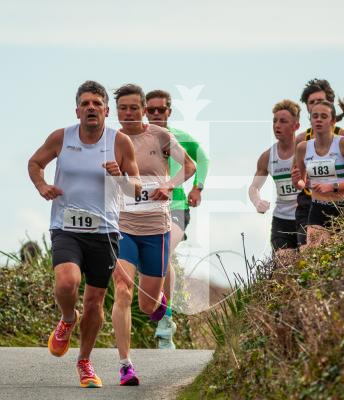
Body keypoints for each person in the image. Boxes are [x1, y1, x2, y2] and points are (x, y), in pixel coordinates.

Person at [27, 80, 140, 388]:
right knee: (67, 281)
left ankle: (84, 362)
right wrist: (42, 185)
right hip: (66, 227)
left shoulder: (119, 142)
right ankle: (67, 318)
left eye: (97, 103)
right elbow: (35, 162)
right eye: (85, 104)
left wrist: (120, 177)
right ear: (77, 111)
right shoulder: (61, 138)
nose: (91, 108)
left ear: (106, 111)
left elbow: (136, 187)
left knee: (94, 302)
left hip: (104, 232)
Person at [111, 84, 196, 386]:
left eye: (134, 108)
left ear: (144, 110)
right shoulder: (111, 140)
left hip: (156, 228)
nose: (128, 113)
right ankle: (125, 365)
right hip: (123, 227)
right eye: (123, 108)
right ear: (116, 111)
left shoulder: (159, 136)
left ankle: (159, 302)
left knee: (148, 306)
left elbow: (189, 166)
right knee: (122, 290)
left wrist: (169, 185)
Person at [144, 89, 210, 349]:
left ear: (169, 111)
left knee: (164, 251)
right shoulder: (135, 140)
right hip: (146, 209)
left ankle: (165, 320)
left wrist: (198, 188)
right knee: (148, 262)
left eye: (161, 109)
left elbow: (202, 160)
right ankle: (159, 311)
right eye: (151, 110)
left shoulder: (180, 138)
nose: (156, 114)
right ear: (144, 111)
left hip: (177, 207)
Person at [293, 100, 344, 247]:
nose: (318, 120)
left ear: (333, 121)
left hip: (342, 209)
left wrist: (333, 186)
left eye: (324, 116)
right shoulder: (303, 148)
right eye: (315, 116)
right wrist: (297, 181)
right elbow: (301, 184)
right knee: (315, 254)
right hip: (317, 209)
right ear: (310, 120)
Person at [249, 99, 301, 252]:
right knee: (283, 262)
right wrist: (257, 202)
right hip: (281, 220)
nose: (277, 125)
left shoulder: (306, 150)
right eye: (274, 121)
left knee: (307, 261)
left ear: (296, 126)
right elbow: (254, 187)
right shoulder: (267, 156)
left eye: (283, 121)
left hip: (305, 217)